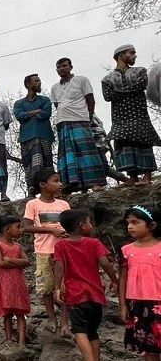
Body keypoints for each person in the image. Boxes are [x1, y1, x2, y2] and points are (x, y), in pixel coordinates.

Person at [54, 209, 119, 361]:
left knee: (79, 330)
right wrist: (115, 280)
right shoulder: (94, 243)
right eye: (90, 222)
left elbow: (59, 266)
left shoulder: (61, 245)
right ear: (82, 225)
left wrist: (57, 287)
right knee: (93, 332)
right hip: (95, 294)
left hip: (75, 295)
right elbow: (105, 262)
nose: (92, 225)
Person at [102, 44, 161, 186]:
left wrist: (119, 91)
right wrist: (129, 90)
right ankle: (132, 177)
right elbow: (108, 96)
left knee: (143, 143)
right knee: (124, 145)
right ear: (121, 55)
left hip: (139, 115)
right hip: (120, 118)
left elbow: (140, 86)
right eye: (131, 53)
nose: (135, 55)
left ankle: (147, 176)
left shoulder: (140, 71)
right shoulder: (107, 78)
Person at [23, 168, 71, 336]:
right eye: (55, 181)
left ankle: (65, 321)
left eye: (59, 181)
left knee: (65, 286)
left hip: (63, 251)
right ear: (43, 185)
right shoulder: (33, 204)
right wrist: (51, 231)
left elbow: (69, 224)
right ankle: (52, 318)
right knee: (46, 287)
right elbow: (27, 226)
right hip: (43, 251)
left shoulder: (63, 204)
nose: (60, 184)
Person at [50, 57, 107, 193]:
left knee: (86, 151)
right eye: (58, 67)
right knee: (68, 155)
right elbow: (57, 105)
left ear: (71, 66)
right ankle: (75, 184)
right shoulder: (55, 88)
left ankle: (95, 183)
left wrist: (89, 116)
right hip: (63, 123)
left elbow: (90, 99)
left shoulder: (81, 80)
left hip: (80, 120)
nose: (61, 69)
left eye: (64, 66)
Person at [120, 205, 161, 359]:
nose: (130, 226)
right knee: (147, 347)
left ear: (152, 225)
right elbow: (122, 277)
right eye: (128, 223)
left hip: (159, 303)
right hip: (136, 304)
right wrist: (123, 305)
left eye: (135, 222)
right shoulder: (126, 250)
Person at [14, 74, 55, 196]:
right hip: (26, 138)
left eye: (39, 81)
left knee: (47, 165)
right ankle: (32, 189)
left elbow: (46, 114)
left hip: (44, 136)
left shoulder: (45, 100)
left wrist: (27, 115)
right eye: (36, 81)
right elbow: (19, 115)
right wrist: (36, 111)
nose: (39, 83)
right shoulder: (19, 103)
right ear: (28, 84)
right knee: (29, 166)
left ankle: (49, 190)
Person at [0, 215, 30, 347]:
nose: (20, 230)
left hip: (18, 282)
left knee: (20, 313)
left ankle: (21, 342)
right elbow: (1, 263)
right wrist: (18, 264)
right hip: (5, 283)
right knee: (7, 313)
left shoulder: (18, 246)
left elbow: (27, 261)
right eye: (17, 227)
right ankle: (8, 340)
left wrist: (11, 260)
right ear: (7, 229)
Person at [91, 113, 130, 186]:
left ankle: (125, 179)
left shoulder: (90, 115)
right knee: (98, 167)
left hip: (98, 144)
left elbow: (103, 134)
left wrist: (111, 150)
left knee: (104, 168)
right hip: (97, 144)